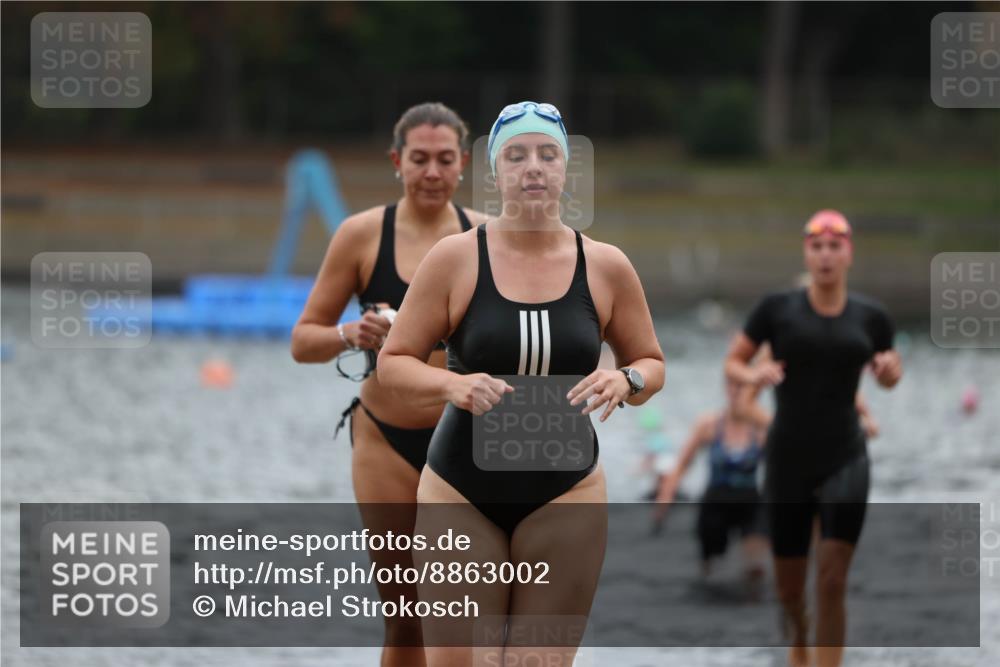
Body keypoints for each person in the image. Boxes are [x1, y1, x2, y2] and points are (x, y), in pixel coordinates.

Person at [377, 101, 665, 665]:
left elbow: (652, 363)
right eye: (516, 155)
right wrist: (450, 387)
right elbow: (394, 364)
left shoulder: (606, 266)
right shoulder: (455, 259)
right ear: (495, 172)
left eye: (547, 154)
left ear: (565, 169)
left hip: (568, 491)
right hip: (460, 492)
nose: (533, 166)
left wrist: (624, 379)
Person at [290, 102, 485, 667]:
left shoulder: (486, 239)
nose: (431, 173)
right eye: (419, 159)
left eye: (444, 160)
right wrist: (355, 333)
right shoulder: (360, 236)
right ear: (397, 162)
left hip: (467, 443)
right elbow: (303, 341)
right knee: (405, 616)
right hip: (385, 440)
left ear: (463, 164)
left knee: (462, 611)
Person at [724, 210, 903, 667]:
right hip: (788, 460)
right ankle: (799, 646)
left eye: (834, 246)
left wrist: (890, 374)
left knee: (832, 578)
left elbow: (888, 374)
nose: (825, 255)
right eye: (817, 246)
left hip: (846, 454)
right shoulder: (776, 309)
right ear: (807, 252)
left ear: (848, 254)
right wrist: (754, 372)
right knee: (789, 589)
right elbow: (733, 363)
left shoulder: (873, 316)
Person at [653, 373, 770, 581]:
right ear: (726, 389)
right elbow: (681, 466)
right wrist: (663, 503)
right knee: (711, 568)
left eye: (743, 387)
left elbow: (782, 471)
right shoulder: (709, 425)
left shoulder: (762, 428)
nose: (737, 392)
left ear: (754, 391)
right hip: (716, 502)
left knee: (755, 566)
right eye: (733, 386)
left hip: (750, 502)